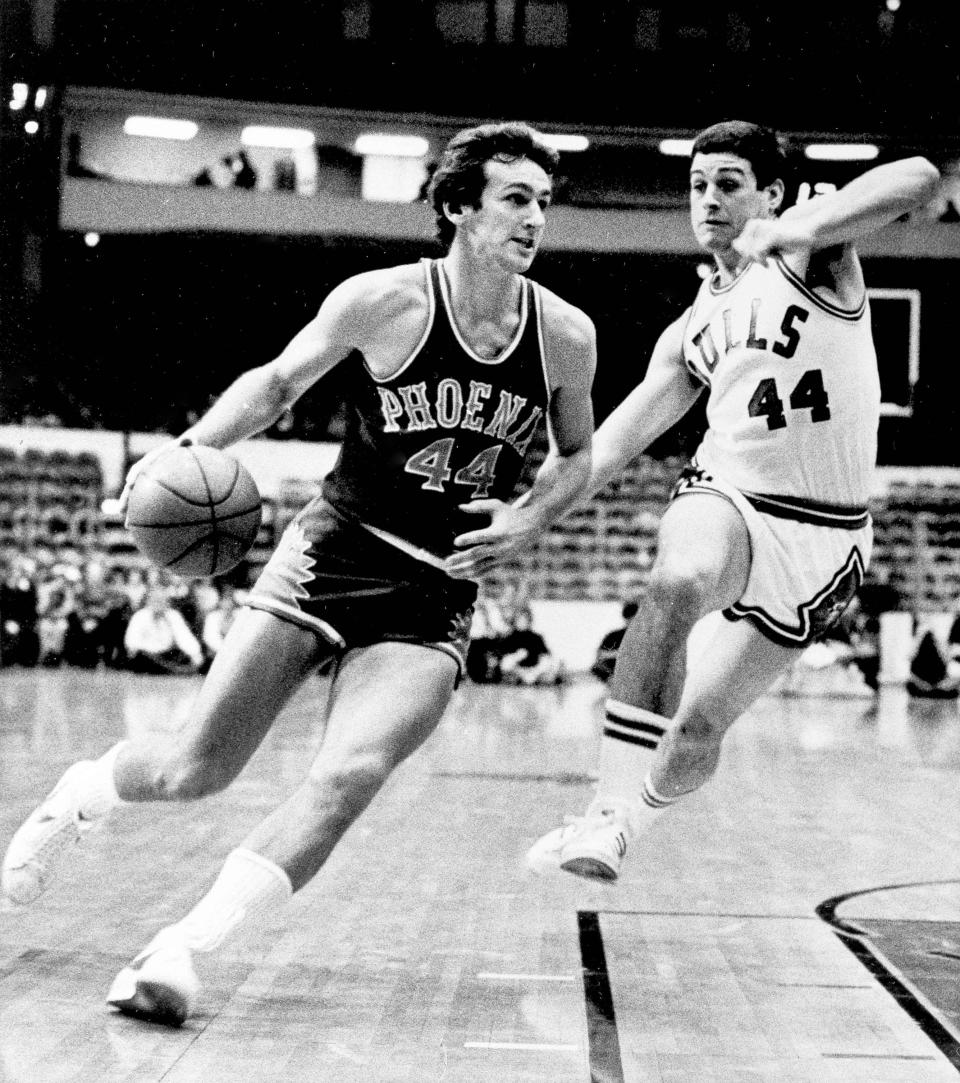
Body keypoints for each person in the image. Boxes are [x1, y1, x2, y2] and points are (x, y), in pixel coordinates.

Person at [2, 121, 596, 1025]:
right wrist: (189, 449)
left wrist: (529, 517)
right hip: (332, 552)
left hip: (435, 591)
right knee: (197, 769)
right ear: (458, 209)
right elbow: (278, 383)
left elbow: (577, 454)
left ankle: (179, 953)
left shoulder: (565, 336)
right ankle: (79, 797)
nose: (534, 219)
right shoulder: (384, 301)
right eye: (515, 199)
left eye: (543, 203)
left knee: (349, 774)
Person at [527, 119, 941, 882]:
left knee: (697, 735)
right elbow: (614, 443)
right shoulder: (692, 327)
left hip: (827, 539)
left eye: (728, 184)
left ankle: (631, 819)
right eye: (698, 185)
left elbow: (919, 176)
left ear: (772, 194)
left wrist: (803, 223)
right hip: (730, 494)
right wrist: (533, 513)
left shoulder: (815, 254)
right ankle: (605, 808)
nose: (708, 199)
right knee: (680, 577)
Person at [123, 586, 205, 675]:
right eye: (156, 600)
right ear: (149, 601)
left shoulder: (173, 615)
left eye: (162, 601)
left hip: (167, 654)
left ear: (167, 602)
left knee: (184, 655)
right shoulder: (140, 616)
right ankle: (177, 670)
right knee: (142, 657)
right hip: (146, 654)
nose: (159, 604)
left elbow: (184, 636)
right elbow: (131, 640)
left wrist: (195, 653)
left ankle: (173, 669)